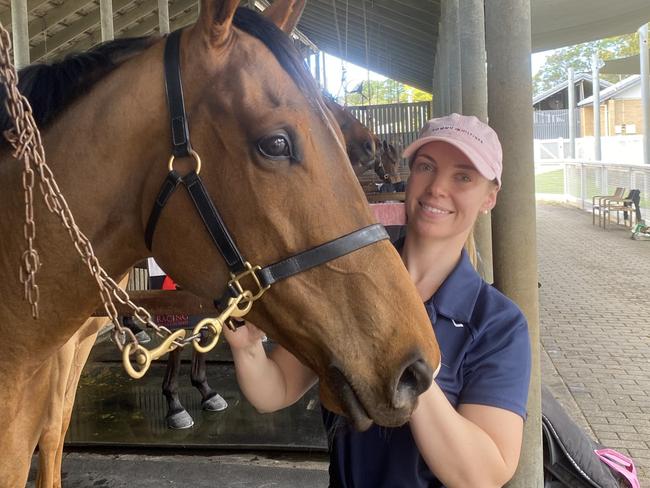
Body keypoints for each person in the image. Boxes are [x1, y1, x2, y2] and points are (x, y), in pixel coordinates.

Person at [223, 113, 532, 488]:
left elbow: (482, 475)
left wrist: (410, 360)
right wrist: (248, 347)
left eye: (463, 176)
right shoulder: (348, 282)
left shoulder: (497, 323)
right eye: (426, 167)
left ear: (489, 198)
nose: (437, 187)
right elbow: (275, 391)